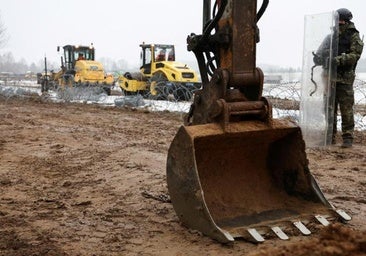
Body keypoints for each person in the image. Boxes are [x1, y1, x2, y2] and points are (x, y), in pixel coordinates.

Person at [313, 8, 363, 148]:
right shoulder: (330, 37)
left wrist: (338, 60)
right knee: (328, 109)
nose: (337, 22)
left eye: (339, 20)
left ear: (345, 20)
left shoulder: (353, 36)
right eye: (336, 20)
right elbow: (320, 53)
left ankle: (347, 138)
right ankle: (329, 136)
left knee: (346, 109)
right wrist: (319, 58)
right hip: (329, 78)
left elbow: (355, 55)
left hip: (344, 79)